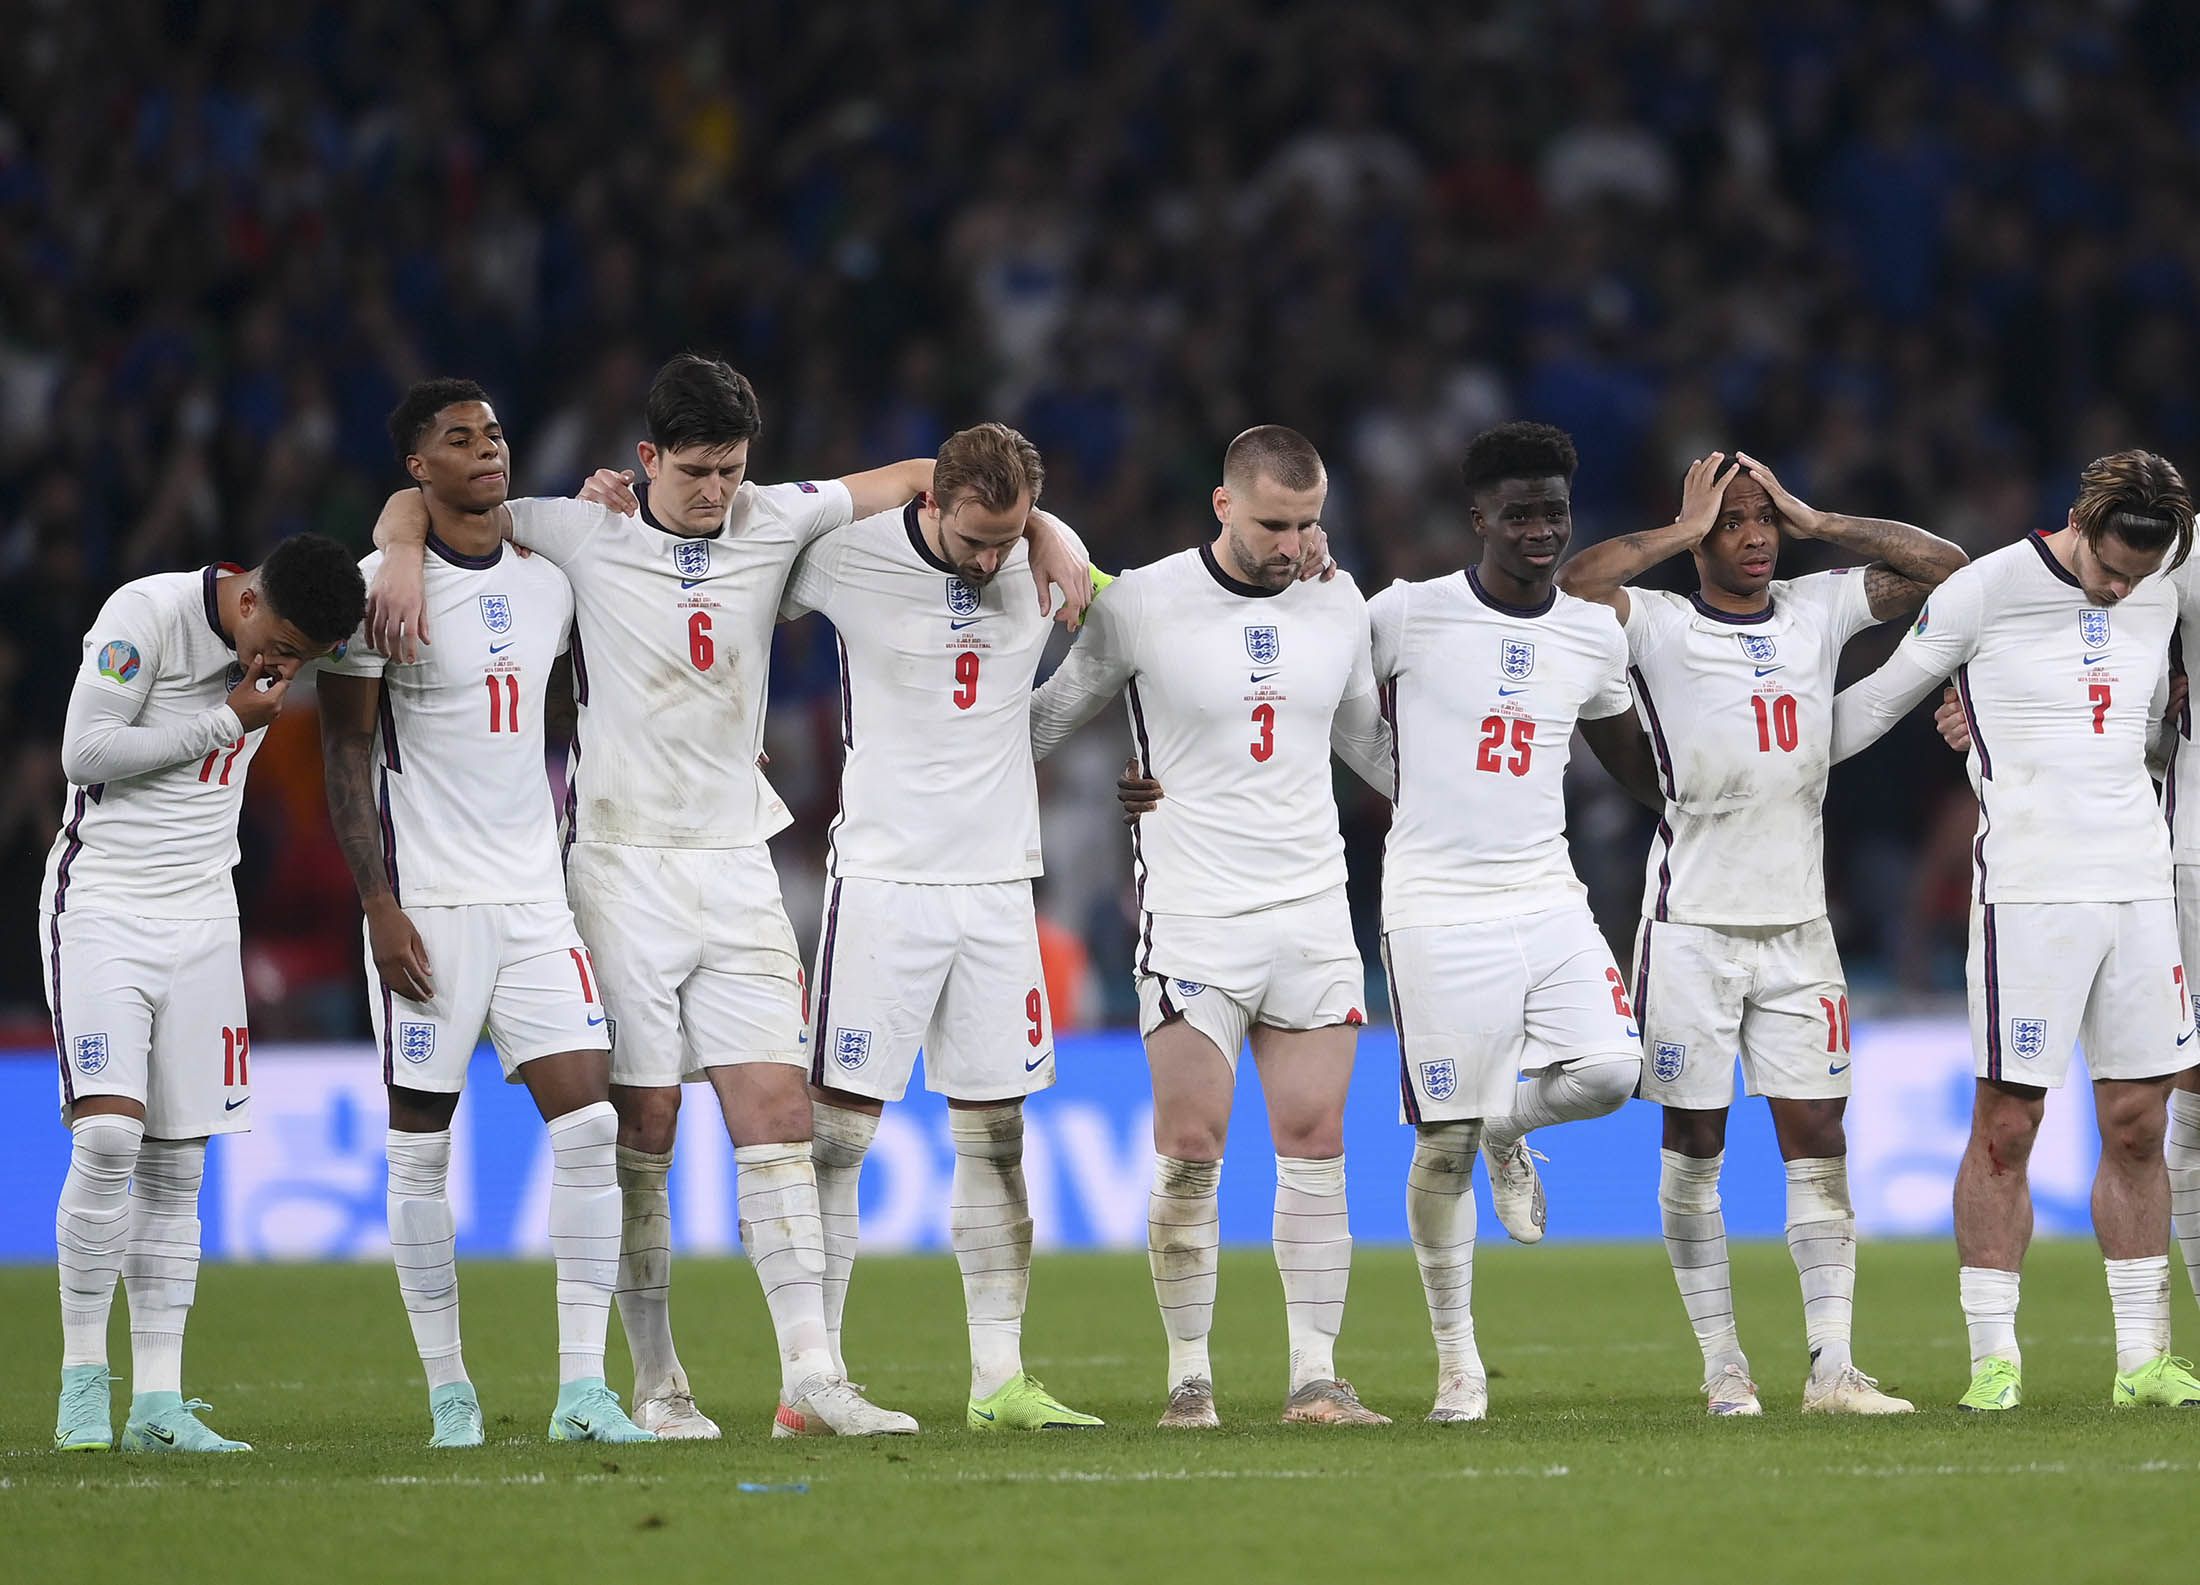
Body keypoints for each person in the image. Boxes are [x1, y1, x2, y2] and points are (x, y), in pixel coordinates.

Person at [359, 355, 1090, 1437]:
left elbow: (921, 478)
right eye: (696, 470)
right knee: (644, 1122)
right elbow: (434, 495)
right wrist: (399, 552)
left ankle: (812, 1376)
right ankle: (658, 1382)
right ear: (645, 459)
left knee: (779, 1114)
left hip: (737, 858)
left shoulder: (773, 517)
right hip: (618, 862)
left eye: (732, 468)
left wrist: (1053, 533)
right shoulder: (577, 529)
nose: (716, 491)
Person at [1558, 451, 1965, 1415]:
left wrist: (1819, 519)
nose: (1751, 537)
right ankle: (1723, 1364)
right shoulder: (1652, 621)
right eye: (1732, 522)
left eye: (1761, 521)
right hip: (1690, 923)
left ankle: (1832, 1367)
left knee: (1818, 1138)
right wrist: (1674, 529)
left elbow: (1948, 568)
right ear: (1701, 534)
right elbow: (1574, 584)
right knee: (1695, 1142)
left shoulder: (1817, 604)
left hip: (1799, 929)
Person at [1029, 426, 1392, 1430]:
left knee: (1316, 1140)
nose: (1294, 543)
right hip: (1194, 913)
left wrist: (1467, 826)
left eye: (1309, 522)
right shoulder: (1141, 602)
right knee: (1190, 1146)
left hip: (1315, 909)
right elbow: (1049, 718)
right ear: (1224, 506)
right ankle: (1189, 1378)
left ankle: (1316, 1378)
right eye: (1275, 523)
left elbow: (1365, 739)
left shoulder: (1337, 600)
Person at [319, 379, 653, 1446]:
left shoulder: (550, 577)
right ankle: (449, 1390)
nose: (487, 449)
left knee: (592, 1126)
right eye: (457, 439)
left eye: (496, 432)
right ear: (417, 468)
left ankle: (581, 1392)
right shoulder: (379, 585)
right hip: (432, 907)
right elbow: (343, 752)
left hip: (533, 900)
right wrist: (378, 902)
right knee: (421, 1145)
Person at [1832, 450, 2200, 1411]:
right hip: (2027, 894)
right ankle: (1994, 1357)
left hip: (2139, 890)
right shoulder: (1983, 589)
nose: (2124, 588)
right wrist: (1759, 755)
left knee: (2137, 1122)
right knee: (2007, 1124)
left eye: (2140, 574)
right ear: (2081, 519)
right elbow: (1877, 702)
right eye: (2110, 567)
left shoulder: (2162, 577)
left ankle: (2144, 1360)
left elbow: (2141, 731)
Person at [784, 421, 1103, 1431]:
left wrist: (1046, 533)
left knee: (997, 1135)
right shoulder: (848, 557)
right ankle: (813, 1380)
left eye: (1005, 539)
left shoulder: (1038, 553)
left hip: (998, 886)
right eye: (972, 539)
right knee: (836, 1137)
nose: (986, 560)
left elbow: (1098, 629)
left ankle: (998, 1382)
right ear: (929, 503)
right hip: (880, 880)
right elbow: (745, 557)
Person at [47, 533, 364, 1453]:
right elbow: (83, 750)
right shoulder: (143, 616)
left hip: (203, 920)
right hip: (102, 899)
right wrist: (224, 721)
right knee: (109, 1135)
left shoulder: (290, 640)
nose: (282, 668)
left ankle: (156, 1405)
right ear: (250, 596)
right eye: (280, 645)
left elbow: (399, 543)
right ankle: (79, 1384)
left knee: (178, 1165)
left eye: (303, 660)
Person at [1374, 421, 1657, 1421]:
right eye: (1521, 512)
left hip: (1547, 894)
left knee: (1616, 1072)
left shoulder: (1589, 630)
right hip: (1434, 908)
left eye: (1555, 512)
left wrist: (1712, 804)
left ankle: (1509, 1124)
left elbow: (1630, 759)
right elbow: (1311, 696)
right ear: (1479, 518)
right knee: (1436, 1145)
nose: (1541, 529)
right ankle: (1457, 1362)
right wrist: (1389, 773)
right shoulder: (1406, 615)